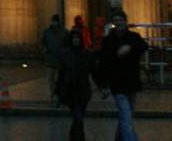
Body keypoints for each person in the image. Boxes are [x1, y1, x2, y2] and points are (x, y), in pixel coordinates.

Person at [96, 10, 148, 141]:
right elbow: (103, 63)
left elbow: (143, 46)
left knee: (126, 114)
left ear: (125, 22)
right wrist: (102, 84)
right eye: (116, 20)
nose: (118, 23)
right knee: (125, 115)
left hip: (132, 81)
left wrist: (129, 48)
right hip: (117, 82)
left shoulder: (134, 37)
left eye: (120, 20)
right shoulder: (107, 40)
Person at [57, 28, 97, 141]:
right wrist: (58, 91)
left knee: (78, 118)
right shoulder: (65, 54)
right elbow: (61, 74)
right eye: (74, 38)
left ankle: (73, 137)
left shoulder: (88, 54)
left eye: (78, 38)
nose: (76, 40)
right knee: (78, 118)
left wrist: (102, 85)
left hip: (83, 90)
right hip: (70, 91)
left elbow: (94, 71)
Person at [41, 14, 66, 103]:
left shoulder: (64, 32)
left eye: (54, 21)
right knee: (51, 77)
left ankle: (60, 92)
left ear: (58, 22)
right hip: (50, 57)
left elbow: (67, 43)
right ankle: (53, 93)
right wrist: (45, 51)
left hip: (60, 58)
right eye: (52, 21)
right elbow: (42, 43)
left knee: (61, 77)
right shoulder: (47, 32)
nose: (53, 23)